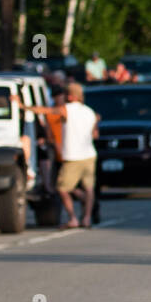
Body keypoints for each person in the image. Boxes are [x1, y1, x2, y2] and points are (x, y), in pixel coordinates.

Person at [56, 83, 100, 228]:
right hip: (89, 154)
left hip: (73, 156)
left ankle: (73, 218)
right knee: (89, 188)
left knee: (63, 188)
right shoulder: (90, 111)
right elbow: (95, 135)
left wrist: (23, 107)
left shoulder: (66, 109)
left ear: (70, 96)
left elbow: (46, 111)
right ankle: (87, 217)